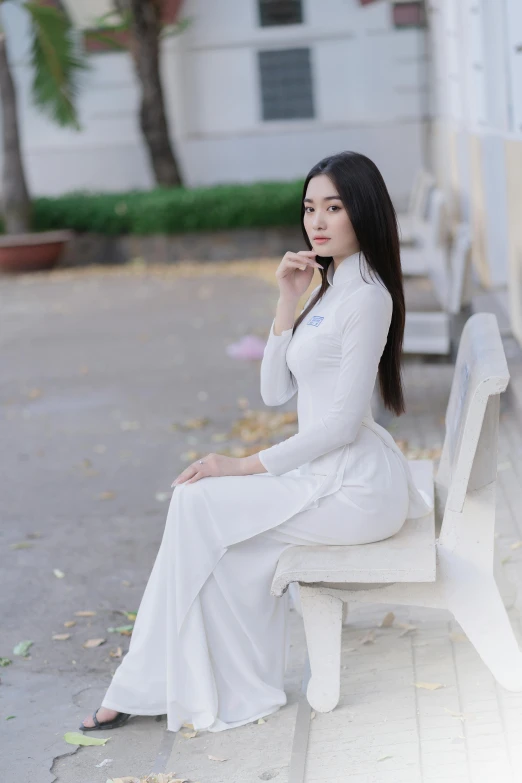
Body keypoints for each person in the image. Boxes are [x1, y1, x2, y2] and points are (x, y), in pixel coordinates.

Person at [80, 150, 431, 734]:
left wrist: (242, 466)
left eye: (334, 207)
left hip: (355, 490)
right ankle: (183, 683)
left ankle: (141, 685)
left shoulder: (367, 296)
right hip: (325, 476)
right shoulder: (329, 285)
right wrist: (286, 300)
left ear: (362, 212)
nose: (317, 221)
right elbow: (274, 391)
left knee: (199, 504)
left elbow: (343, 426)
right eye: (310, 208)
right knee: (209, 528)